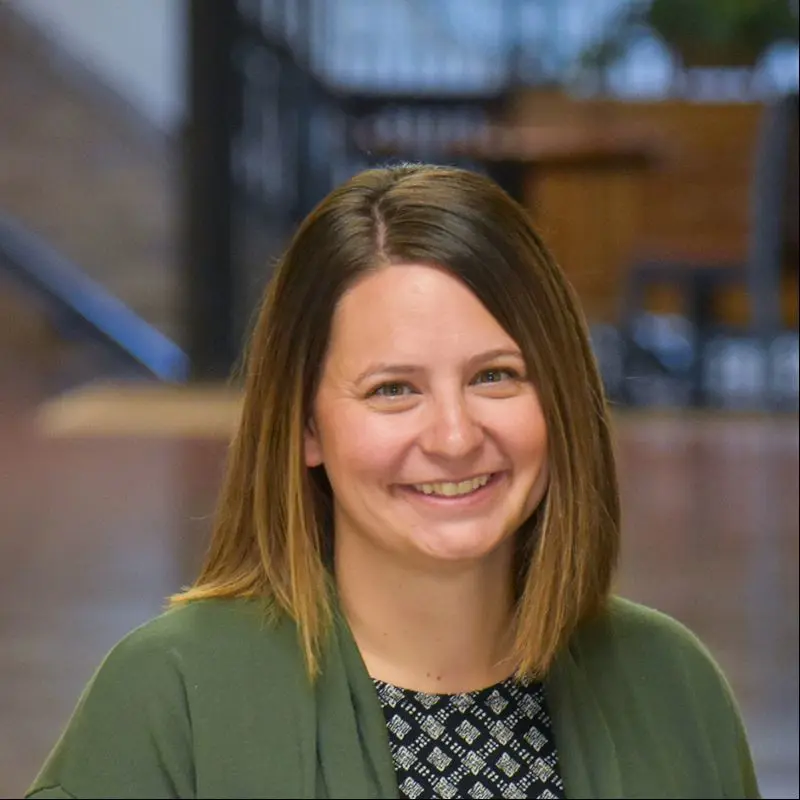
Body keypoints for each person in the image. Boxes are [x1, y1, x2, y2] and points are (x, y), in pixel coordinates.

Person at [27, 164, 760, 799]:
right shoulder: (172, 696)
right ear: (305, 427)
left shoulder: (673, 687)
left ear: (561, 396)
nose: (453, 436)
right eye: (392, 390)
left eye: (495, 376)